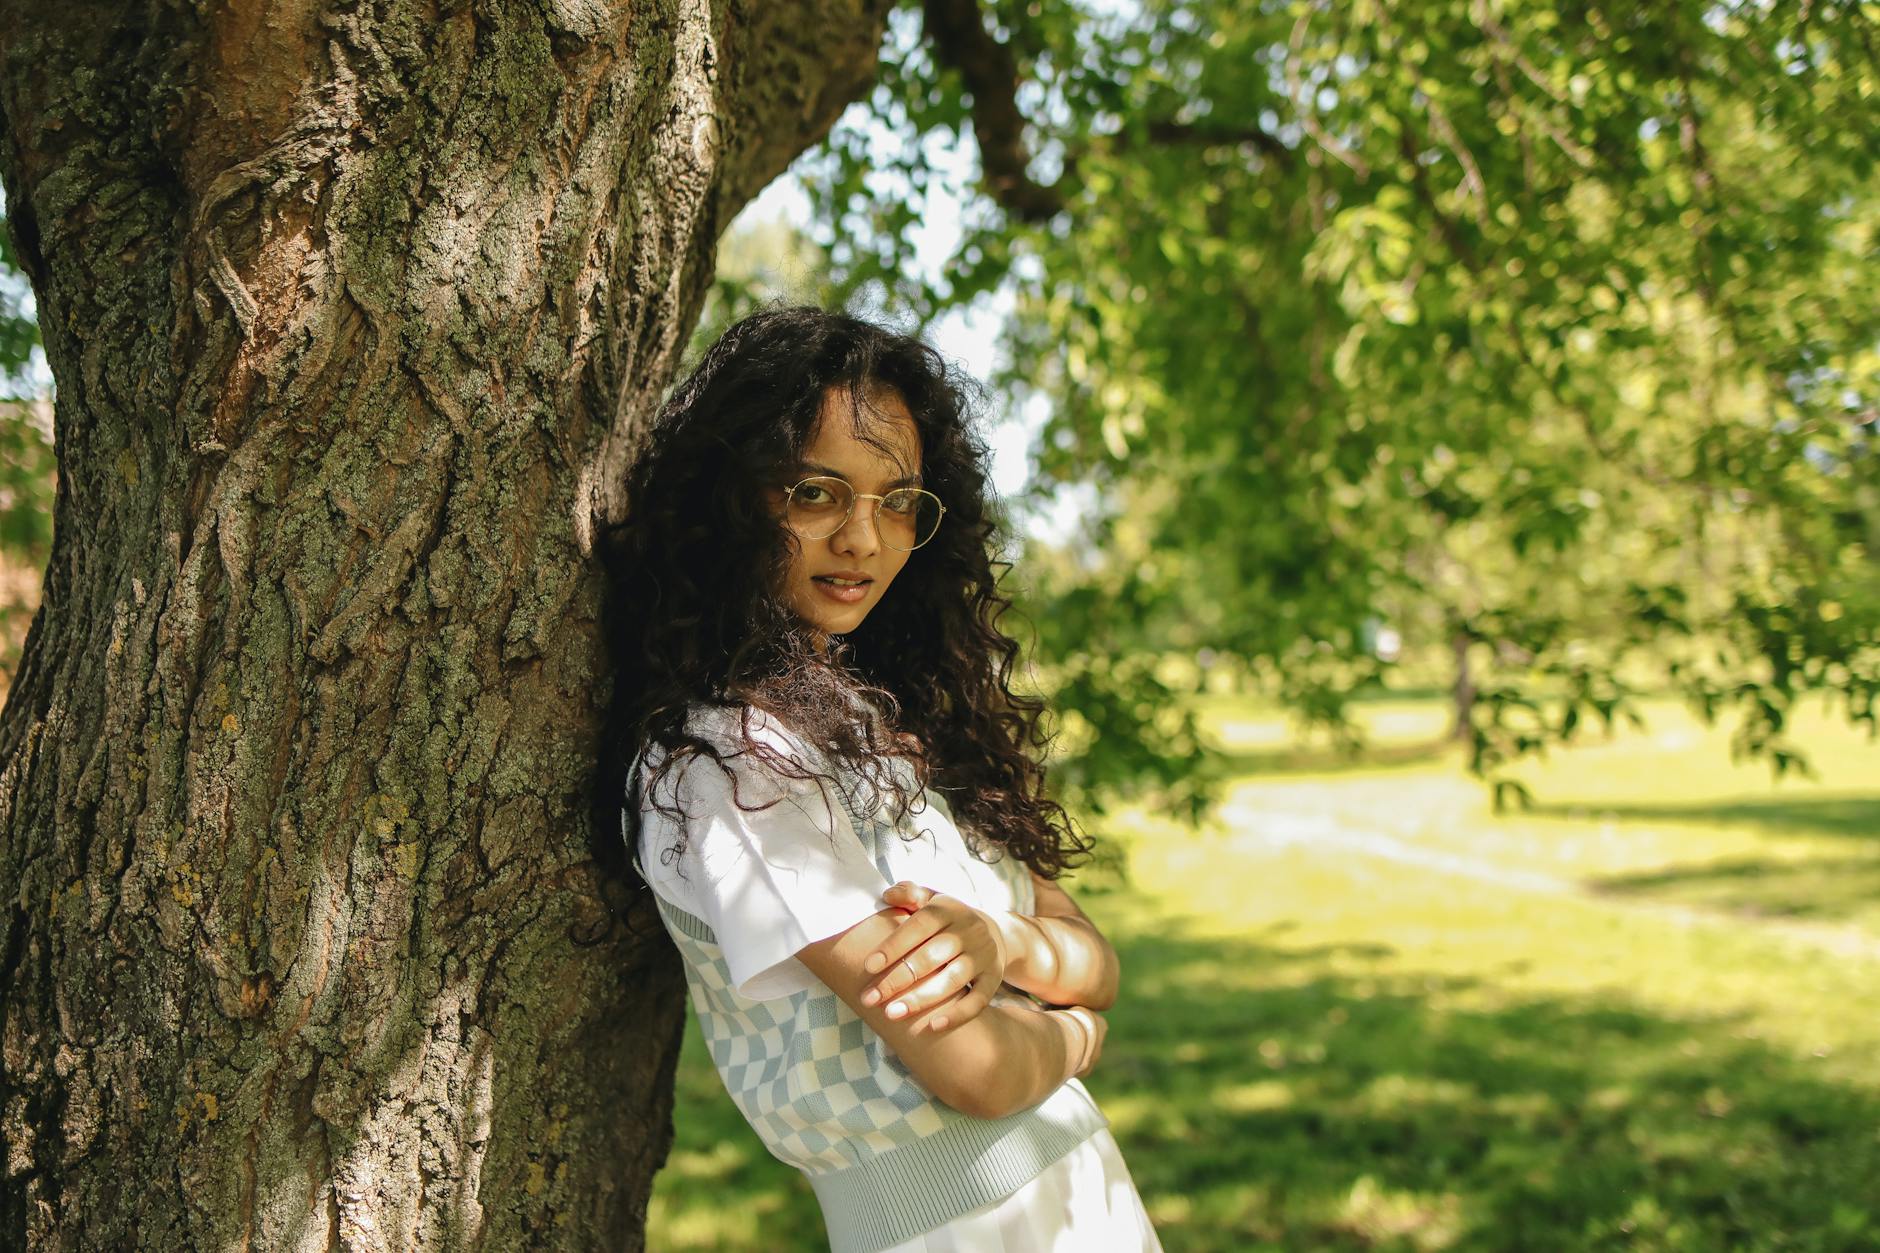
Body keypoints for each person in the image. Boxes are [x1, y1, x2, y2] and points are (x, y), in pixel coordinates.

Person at [603, 305, 1163, 1252]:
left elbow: (1093, 958)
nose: (863, 538)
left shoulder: (898, 720)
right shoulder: (728, 768)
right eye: (816, 492)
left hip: (1089, 1201)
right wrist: (1076, 1038)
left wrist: (1003, 941)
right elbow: (977, 1068)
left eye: (897, 500)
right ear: (730, 500)